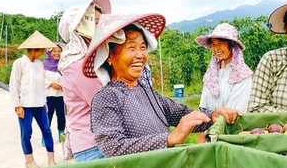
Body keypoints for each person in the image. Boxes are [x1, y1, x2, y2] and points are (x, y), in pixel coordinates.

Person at [82, 13, 242, 158]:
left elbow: (180, 113)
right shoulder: (106, 98)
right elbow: (113, 147)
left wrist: (212, 116)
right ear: (109, 56)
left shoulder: (146, 91)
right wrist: (170, 137)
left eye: (143, 47)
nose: (140, 55)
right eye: (131, 48)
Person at [57, 0, 112, 162]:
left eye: (100, 20)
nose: (100, 25)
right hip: (93, 146)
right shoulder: (77, 65)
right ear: (79, 28)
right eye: (94, 22)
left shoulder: (91, 60)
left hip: (101, 141)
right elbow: (103, 104)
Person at [194, 23, 253, 142]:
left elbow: (232, 114)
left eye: (220, 43)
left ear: (231, 45)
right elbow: (203, 108)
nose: (216, 48)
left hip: (229, 137)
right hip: (209, 134)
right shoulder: (211, 74)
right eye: (213, 44)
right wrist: (201, 138)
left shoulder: (242, 75)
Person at [9, 31, 58, 168]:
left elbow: (42, 83)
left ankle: (51, 159)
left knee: (47, 130)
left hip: (39, 104)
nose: (42, 53)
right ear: (34, 49)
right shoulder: (19, 64)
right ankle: (29, 160)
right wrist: (17, 106)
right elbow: (14, 85)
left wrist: (44, 102)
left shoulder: (39, 64)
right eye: (41, 51)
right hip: (25, 104)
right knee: (26, 132)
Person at [42, 42, 66, 145]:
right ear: (50, 52)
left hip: (61, 95)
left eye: (59, 51)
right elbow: (40, 79)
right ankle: (45, 137)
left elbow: (69, 77)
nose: (57, 53)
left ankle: (62, 135)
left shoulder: (64, 64)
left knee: (62, 116)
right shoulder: (44, 64)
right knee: (48, 115)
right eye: (54, 51)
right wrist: (51, 84)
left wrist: (65, 86)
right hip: (49, 95)